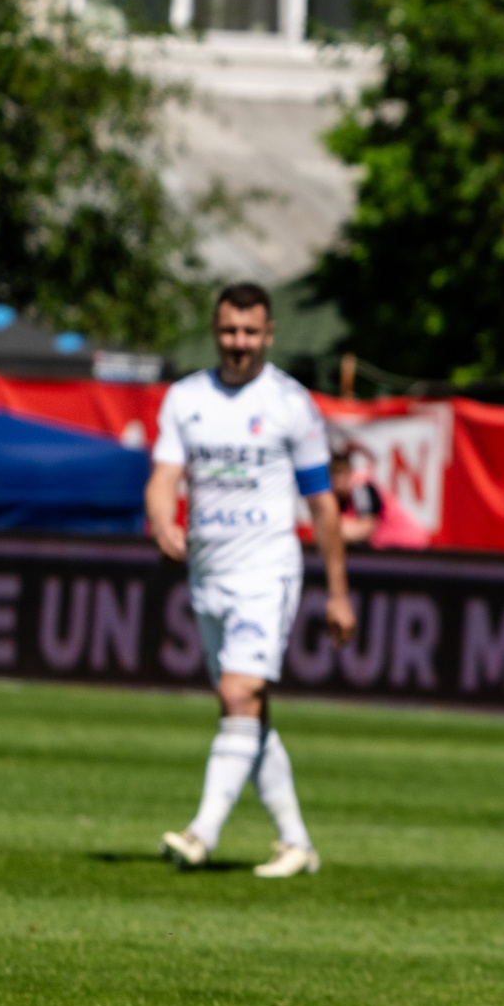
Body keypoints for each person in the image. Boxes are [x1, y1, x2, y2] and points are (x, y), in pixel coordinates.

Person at [148, 283, 354, 879]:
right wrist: (163, 521)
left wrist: (338, 593)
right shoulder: (186, 398)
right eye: (229, 331)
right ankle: (297, 843)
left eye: (250, 333)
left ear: (268, 335)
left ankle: (200, 833)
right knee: (246, 711)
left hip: (267, 570)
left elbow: (322, 505)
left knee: (239, 694)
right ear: (216, 331)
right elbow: (164, 477)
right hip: (207, 573)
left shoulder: (292, 404)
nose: (238, 343)